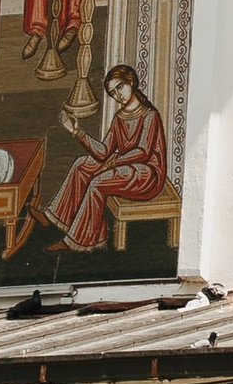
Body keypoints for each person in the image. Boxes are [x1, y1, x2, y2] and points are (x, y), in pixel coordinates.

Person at [47, 61, 169, 253]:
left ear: (131, 82)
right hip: (127, 168)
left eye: (120, 87)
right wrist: (77, 131)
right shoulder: (120, 117)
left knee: (98, 182)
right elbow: (104, 151)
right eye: (113, 92)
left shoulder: (149, 115)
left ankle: (79, 240)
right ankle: (58, 220)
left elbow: (143, 152)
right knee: (81, 164)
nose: (118, 95)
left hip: (148, 174)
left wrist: (114, 162)